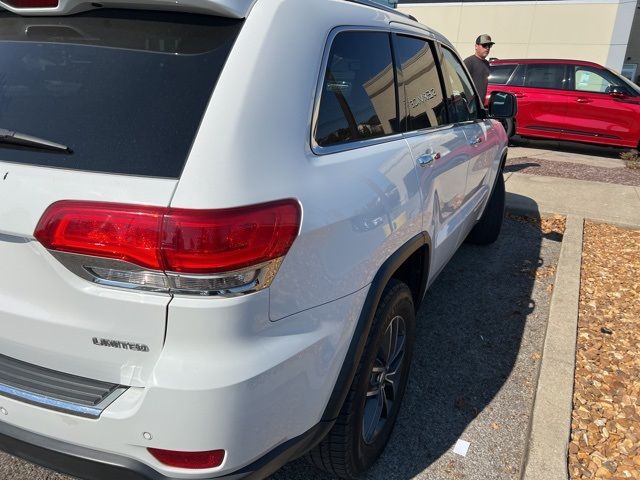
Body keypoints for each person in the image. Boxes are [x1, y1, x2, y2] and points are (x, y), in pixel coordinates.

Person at [464, 34, 495, 101]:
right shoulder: (468, 62)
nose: (487, 48)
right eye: (484, 45)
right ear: (476, 46)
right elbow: (461, 84)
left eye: (489, 46)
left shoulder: (486, 63)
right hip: (470, 105)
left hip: (480, 104)